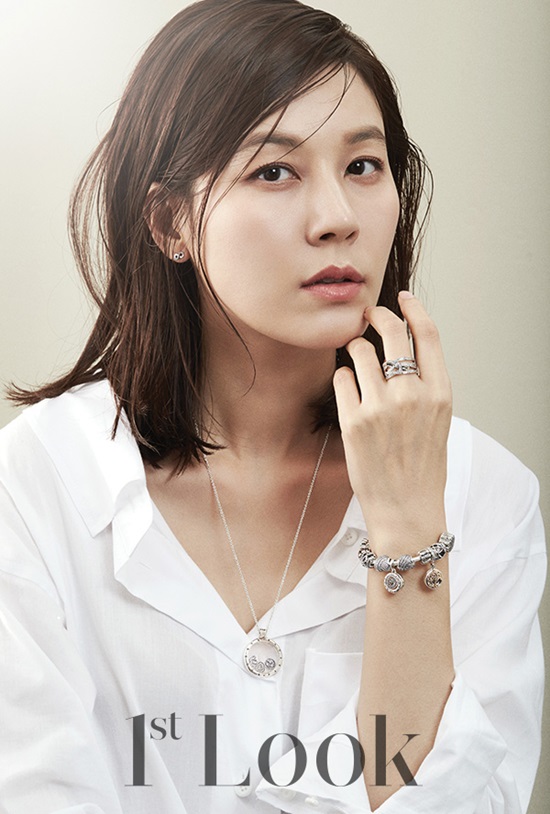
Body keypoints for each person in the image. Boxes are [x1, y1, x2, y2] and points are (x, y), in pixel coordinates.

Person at [0, 0, 545, 812]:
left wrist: (407, 533)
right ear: (170, 221)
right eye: (274, 172)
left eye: (364, 165)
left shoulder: (484, 494)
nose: (338, 219)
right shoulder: (37, 486)